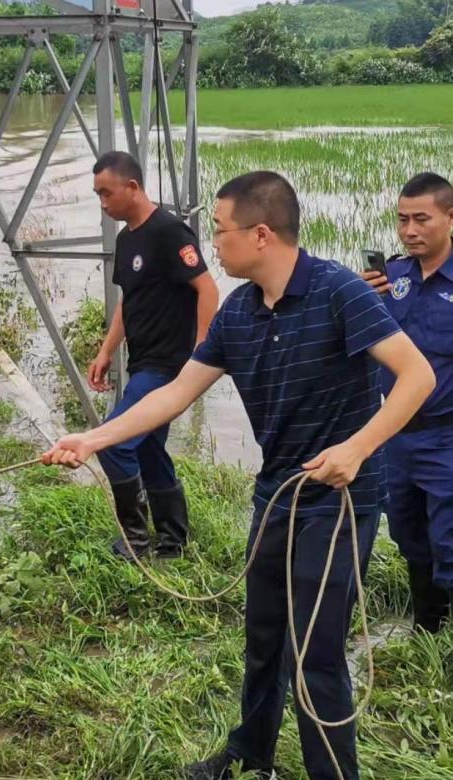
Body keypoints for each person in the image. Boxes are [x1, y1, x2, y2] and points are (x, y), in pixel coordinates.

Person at [43, 172, 434, 780]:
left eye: (220, 232)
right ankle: (250, 754)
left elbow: (417, 378)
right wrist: (92, 438)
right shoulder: (239, 313)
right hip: (275, 491)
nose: (213, 245)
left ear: (260, 234)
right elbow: (174, 393)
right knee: (265, 637)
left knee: (316, 654)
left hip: (339, 499)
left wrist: (356, 450)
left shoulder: (338, 292)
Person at [86, 151, 219, 560]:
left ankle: (136, 541)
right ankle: (173, 540)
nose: (103, 204)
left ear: (132, 187)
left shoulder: (168, 232)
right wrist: (107, 349)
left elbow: (208, 290)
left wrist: (200, 353)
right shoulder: (127, 240)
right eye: (97, 196)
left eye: (107, 194)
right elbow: (130, 298)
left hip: (168, 366)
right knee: (146, 448)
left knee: (115, 443)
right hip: (142, 360)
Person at [362, 172, 453, 633]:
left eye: (422, 219)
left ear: (450, 218)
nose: (410, 230)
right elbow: (358, 348)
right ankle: (428, 629)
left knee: (450, 539)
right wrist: (360, 300)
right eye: (402, 220)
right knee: (407, 531)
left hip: (447, 436)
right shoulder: (390, 277)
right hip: (396, 436)